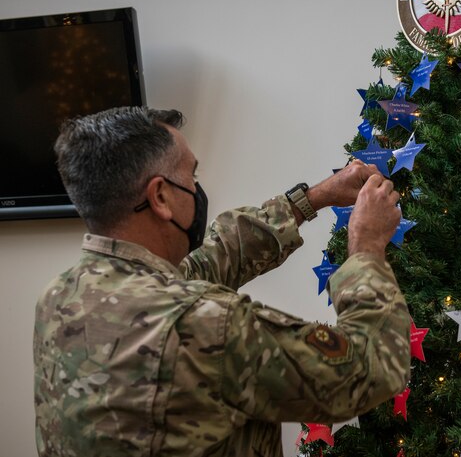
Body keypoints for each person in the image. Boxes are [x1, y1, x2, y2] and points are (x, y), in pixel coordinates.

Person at [34, 106, 411, 457]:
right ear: (161, 196)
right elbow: (370, 367)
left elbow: (210, 260)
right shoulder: (207, 324)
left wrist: (311, 199)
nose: (197, 188)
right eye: (191, 175)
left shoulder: (60, 297)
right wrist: (366, 246)